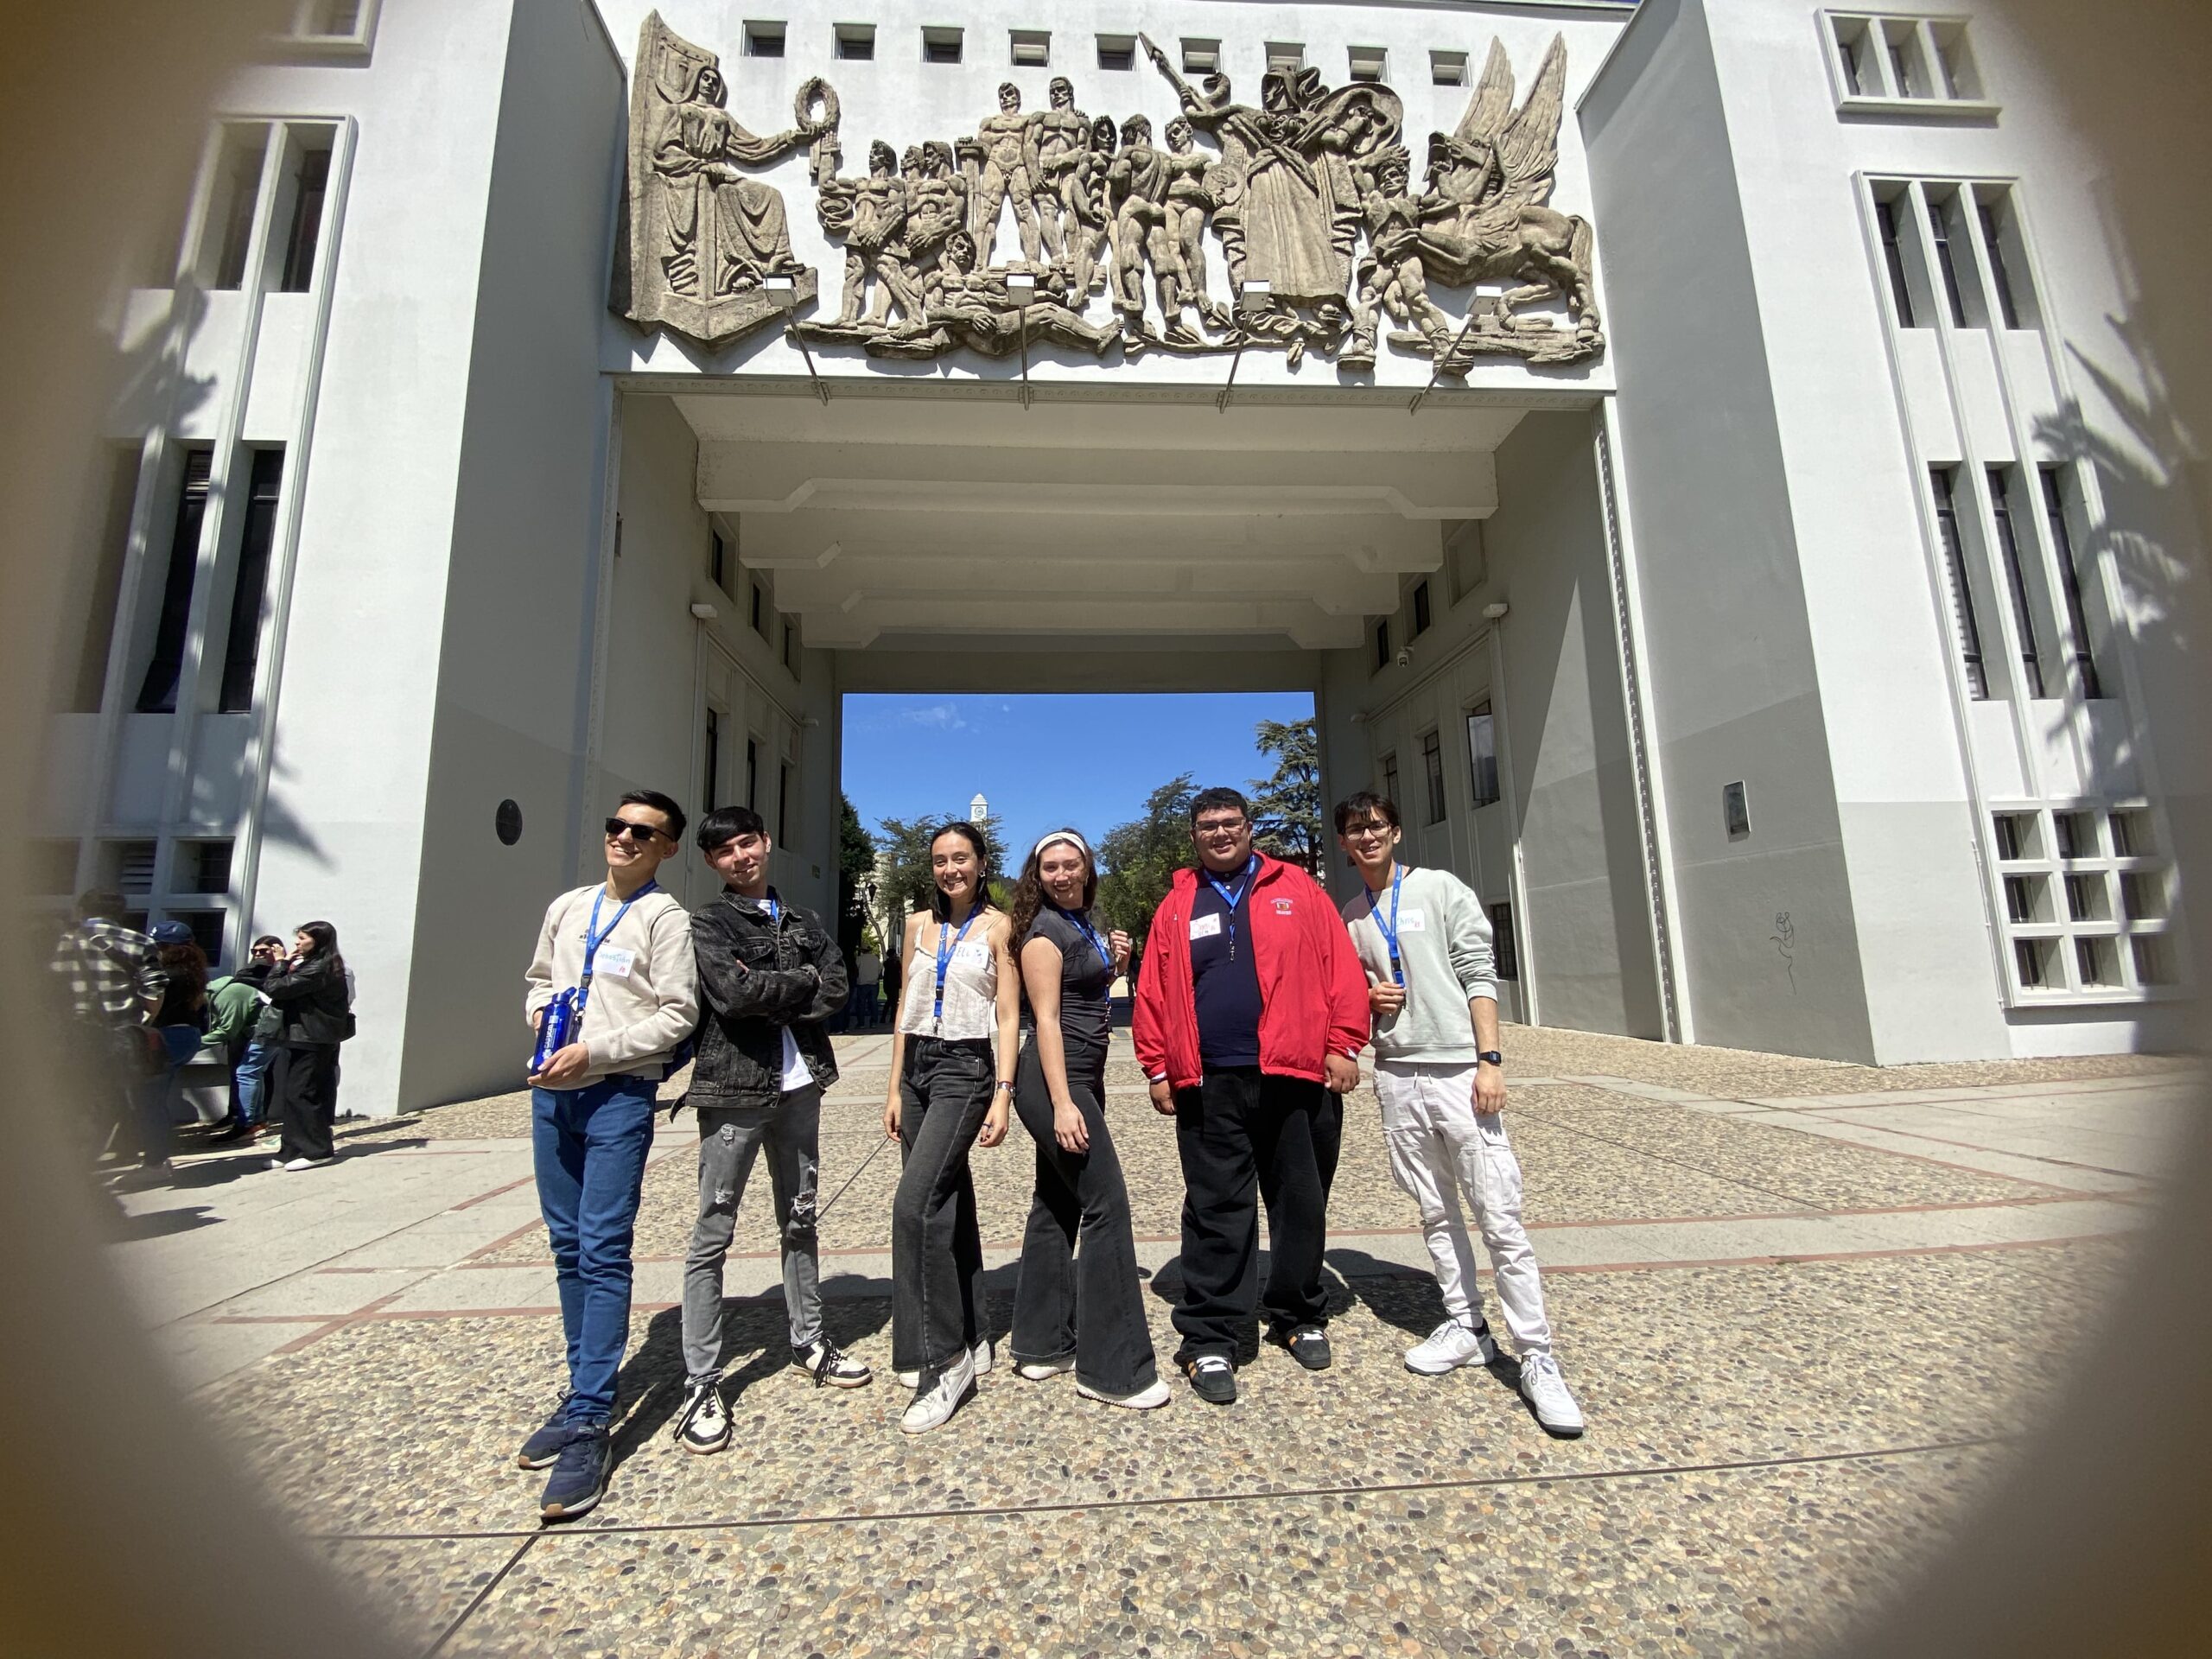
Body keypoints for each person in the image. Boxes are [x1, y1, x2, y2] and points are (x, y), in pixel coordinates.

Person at [1335, 791, 1584, 1436]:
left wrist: (1490, 1059)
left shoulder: (1441, 889)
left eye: (1377, 827)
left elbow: (1478, 969)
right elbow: (1344, 995)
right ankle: (1466, 1323)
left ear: (1396, 831)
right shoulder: (1351, 914)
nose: (1368, 838)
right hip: (1396, 1071)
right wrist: (1365, 995)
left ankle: (1537, 1356)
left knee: (1499, 1214)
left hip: (1457, 1068)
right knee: (1435, 1210)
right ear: (1343, 842)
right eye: (1356, 830)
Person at [1133, 787, 1369, 1405]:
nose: (1220, 833)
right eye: (1207, 825)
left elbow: (1340, 968)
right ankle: (1213, 1333)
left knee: (1300, 1202)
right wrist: (1157, 1067)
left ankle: (1297, 1313)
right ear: (1194, 835)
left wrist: (1343, 1044)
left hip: (1295, 1076)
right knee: (1217, 1208)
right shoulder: (1178, 904)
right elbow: (1154, 990)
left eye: (1230, 823)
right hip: (1212, 1081)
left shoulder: (1298, 889)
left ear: (1248, 827)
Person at [516, 791, 699, 1522]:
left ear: (667, 848)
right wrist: (541, 1015)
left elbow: (678, 1013)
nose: (624, 838)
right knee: (565, 1246)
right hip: (550, 1092)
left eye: (642, 832)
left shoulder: (664, 918)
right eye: (617, 827)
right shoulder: (568, 907)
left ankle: (592, 1420)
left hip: (617, 1094)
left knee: (602, 1247)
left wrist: (595, 1049)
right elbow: (538, 979)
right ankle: (579, 1389)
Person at [674, 805, 867, 1459]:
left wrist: (777, 985)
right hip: (733, 1090)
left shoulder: (806, 921)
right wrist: (798, 981)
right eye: (724, 850)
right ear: (712, 862)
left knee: (800, 1218)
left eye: (747, 842)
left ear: (766, 842)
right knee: (713, 1231)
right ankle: (702, 1379)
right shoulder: (707, 922)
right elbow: (730, 994)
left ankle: (808, 1337)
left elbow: (835, 988)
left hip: (800, 1085)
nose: (740, 856)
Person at [1008, 830, 1166, 1410]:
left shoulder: (1083, 922)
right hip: (1055, 1081)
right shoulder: (1044, 934)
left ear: (1086, 867)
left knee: (1058, 1204)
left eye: (1070, 864)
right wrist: (1064, 1103)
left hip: (1079, 1077)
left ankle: (1041, 1344)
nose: (1061, 874)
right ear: (1037, 874)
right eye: (1050, 867)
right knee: (1107, 1205)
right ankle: (1113, 1367)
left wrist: (1117, 962)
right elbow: (1045, 1021)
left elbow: (1093, 996)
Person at [884, 821, 1017, 1433]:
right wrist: (892, 1086)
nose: (950, 869)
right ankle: (974, 1330)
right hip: (918, 1069)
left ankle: (946, 1360)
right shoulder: (917, 925)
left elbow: (1008, 1015)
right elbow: (904, 1012)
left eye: (961, 858)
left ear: (982, 863)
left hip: (966, 1067)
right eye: (940, 860)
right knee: (948, 1204)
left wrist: (1004, 1094)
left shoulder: (998, 927)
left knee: (914, 1205)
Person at [50, 893, 165, 1171]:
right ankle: (138, 1156)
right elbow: (155, 992)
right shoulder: (140, 942)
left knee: (76, 1098)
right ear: (121, 913)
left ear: (81, 909)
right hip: (123, 1033)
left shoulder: (58, 939)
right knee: (132, 1096)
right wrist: (144, 1021)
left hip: (70, 1034)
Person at [258, 922, 351, 1172]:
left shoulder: (321, 967)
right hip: (299, 1035)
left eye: (302, 938)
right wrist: (288, 964)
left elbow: (276, 988)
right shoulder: (310, 964)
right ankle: (291, 1148)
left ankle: (317, 1150)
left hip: (312, 1038)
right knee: (292, 1094)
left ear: (317, 941)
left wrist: (279, 963)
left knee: (303, 1093)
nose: (297, 943)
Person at [205, 936, 281, 1144]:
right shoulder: (243, 976)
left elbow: (227, 1027)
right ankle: (247, 1118)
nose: (258, 955)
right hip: (253, 1030)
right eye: (255, 951)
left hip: (267, 1029)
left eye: (264, 951)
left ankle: (248, 1122)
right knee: (246, 1072)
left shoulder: (279, 971)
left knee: (250, 1072)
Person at [853, 938, 882, 1027]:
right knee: (873, 1003)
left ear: (862, 950)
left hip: (862, 983)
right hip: (874, 983)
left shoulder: (859, 959)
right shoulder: (875, 959)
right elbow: (879, 970)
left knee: (861, 1004)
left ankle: (861, 1023)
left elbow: (856, 970)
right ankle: (873, 1022)